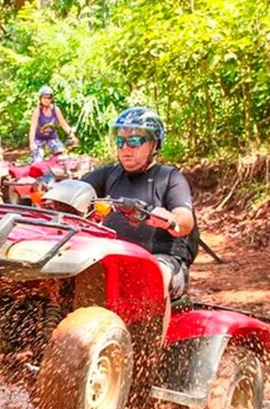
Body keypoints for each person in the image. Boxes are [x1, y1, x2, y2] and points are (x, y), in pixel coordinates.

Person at [81, 106, 198, 334]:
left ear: (154, 144)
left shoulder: (170, 178)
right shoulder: (109, 175)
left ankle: (151, 350)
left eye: (134, 141)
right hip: (114, 259)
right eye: (120, 141)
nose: (125, 148)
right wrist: (41, 188)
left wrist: (170, 220)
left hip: (162, 260)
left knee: (153, 276)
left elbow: (185, 221)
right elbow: (76, 188)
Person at [28, 86, 77, 162]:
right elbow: (32, 128)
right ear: (40, 98)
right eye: (45, 98)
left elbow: (63, 124)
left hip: (52, 138)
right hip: (39, 139)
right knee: (37, 161)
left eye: (49, 98)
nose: (47, 100)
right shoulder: (37, 111)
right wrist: (32, 143)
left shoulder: (55, 109)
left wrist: (72, 136)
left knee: (62, 156)